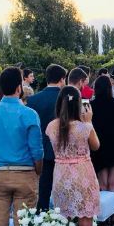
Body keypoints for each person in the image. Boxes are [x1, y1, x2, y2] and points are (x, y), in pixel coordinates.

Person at [46, 85, 101, 226]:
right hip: (83, 174)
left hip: (61, 175)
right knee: (85, 221)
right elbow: (96, 146)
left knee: (64, 220)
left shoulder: (52, 126)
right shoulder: (84, 127)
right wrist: (90, 122)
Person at [0, 67, 44, 226]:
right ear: (19, 88)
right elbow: (37, 152)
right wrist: (37, 172)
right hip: (25, 173)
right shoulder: (29, 114)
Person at [27, 64, 68, 210]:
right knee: (64, 186)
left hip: (43, 148)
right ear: (62, 79)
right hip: (64, 148)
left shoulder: (33, 100)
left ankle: (43, 214)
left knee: (44, 186)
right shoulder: (67, 99)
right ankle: (64, 215)